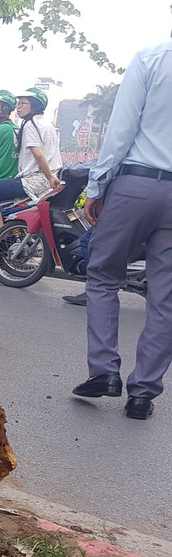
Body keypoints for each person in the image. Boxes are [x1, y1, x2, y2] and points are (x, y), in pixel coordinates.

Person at [72, 34, 172, 420]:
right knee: (165, 298)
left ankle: (104, 372)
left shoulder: (150, 59)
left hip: (136, 184)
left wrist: (96, 186)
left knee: (102, 276)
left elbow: (121, 129)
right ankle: (143, 393)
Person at [0, 87, 62, 234]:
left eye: (23, 103)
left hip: (35, 180)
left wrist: (49, 177)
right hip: (46, 177)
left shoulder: (30, 125)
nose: (19, 106)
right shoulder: (47, 125)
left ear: (34, 106)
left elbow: (38, 154)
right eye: (18, 103)